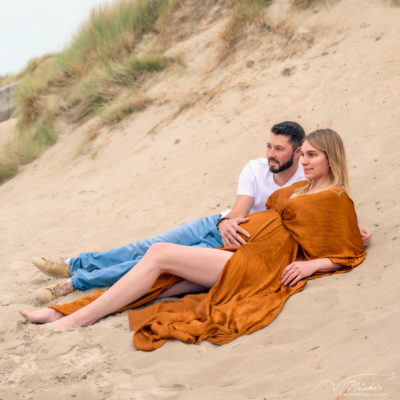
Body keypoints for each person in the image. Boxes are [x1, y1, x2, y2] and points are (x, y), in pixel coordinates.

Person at [20, 129, 367, 352]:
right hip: (240, 247)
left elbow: (346, 251)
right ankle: (58, 311)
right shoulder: (302, 187)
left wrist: (313, 264)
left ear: (330, 158)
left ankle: (76, 320)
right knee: (160, 281)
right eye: (303, 154)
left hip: (257, 266)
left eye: (312, 155)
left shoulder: (336, 197)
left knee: (156, 253)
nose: (304, 161)